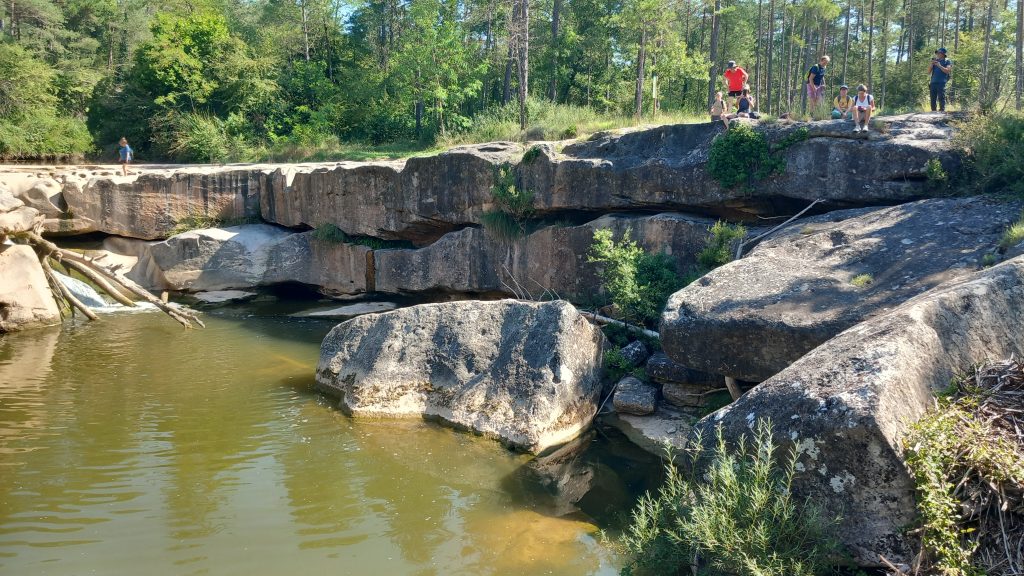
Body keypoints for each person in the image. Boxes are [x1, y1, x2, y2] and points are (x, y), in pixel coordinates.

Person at [928, 47, 952, 112]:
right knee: (933, 98)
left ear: (943, 54)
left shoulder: (947, 61)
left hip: (941, 82)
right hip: (933, 82)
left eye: (939, 53)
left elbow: (947, 71)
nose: (937, 54)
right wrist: (931, 64)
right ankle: (933, 111)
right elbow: (928, 72)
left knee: (941, 97)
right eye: (937, 53)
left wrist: (939, 66)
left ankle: (942, 111)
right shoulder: (935, 61)